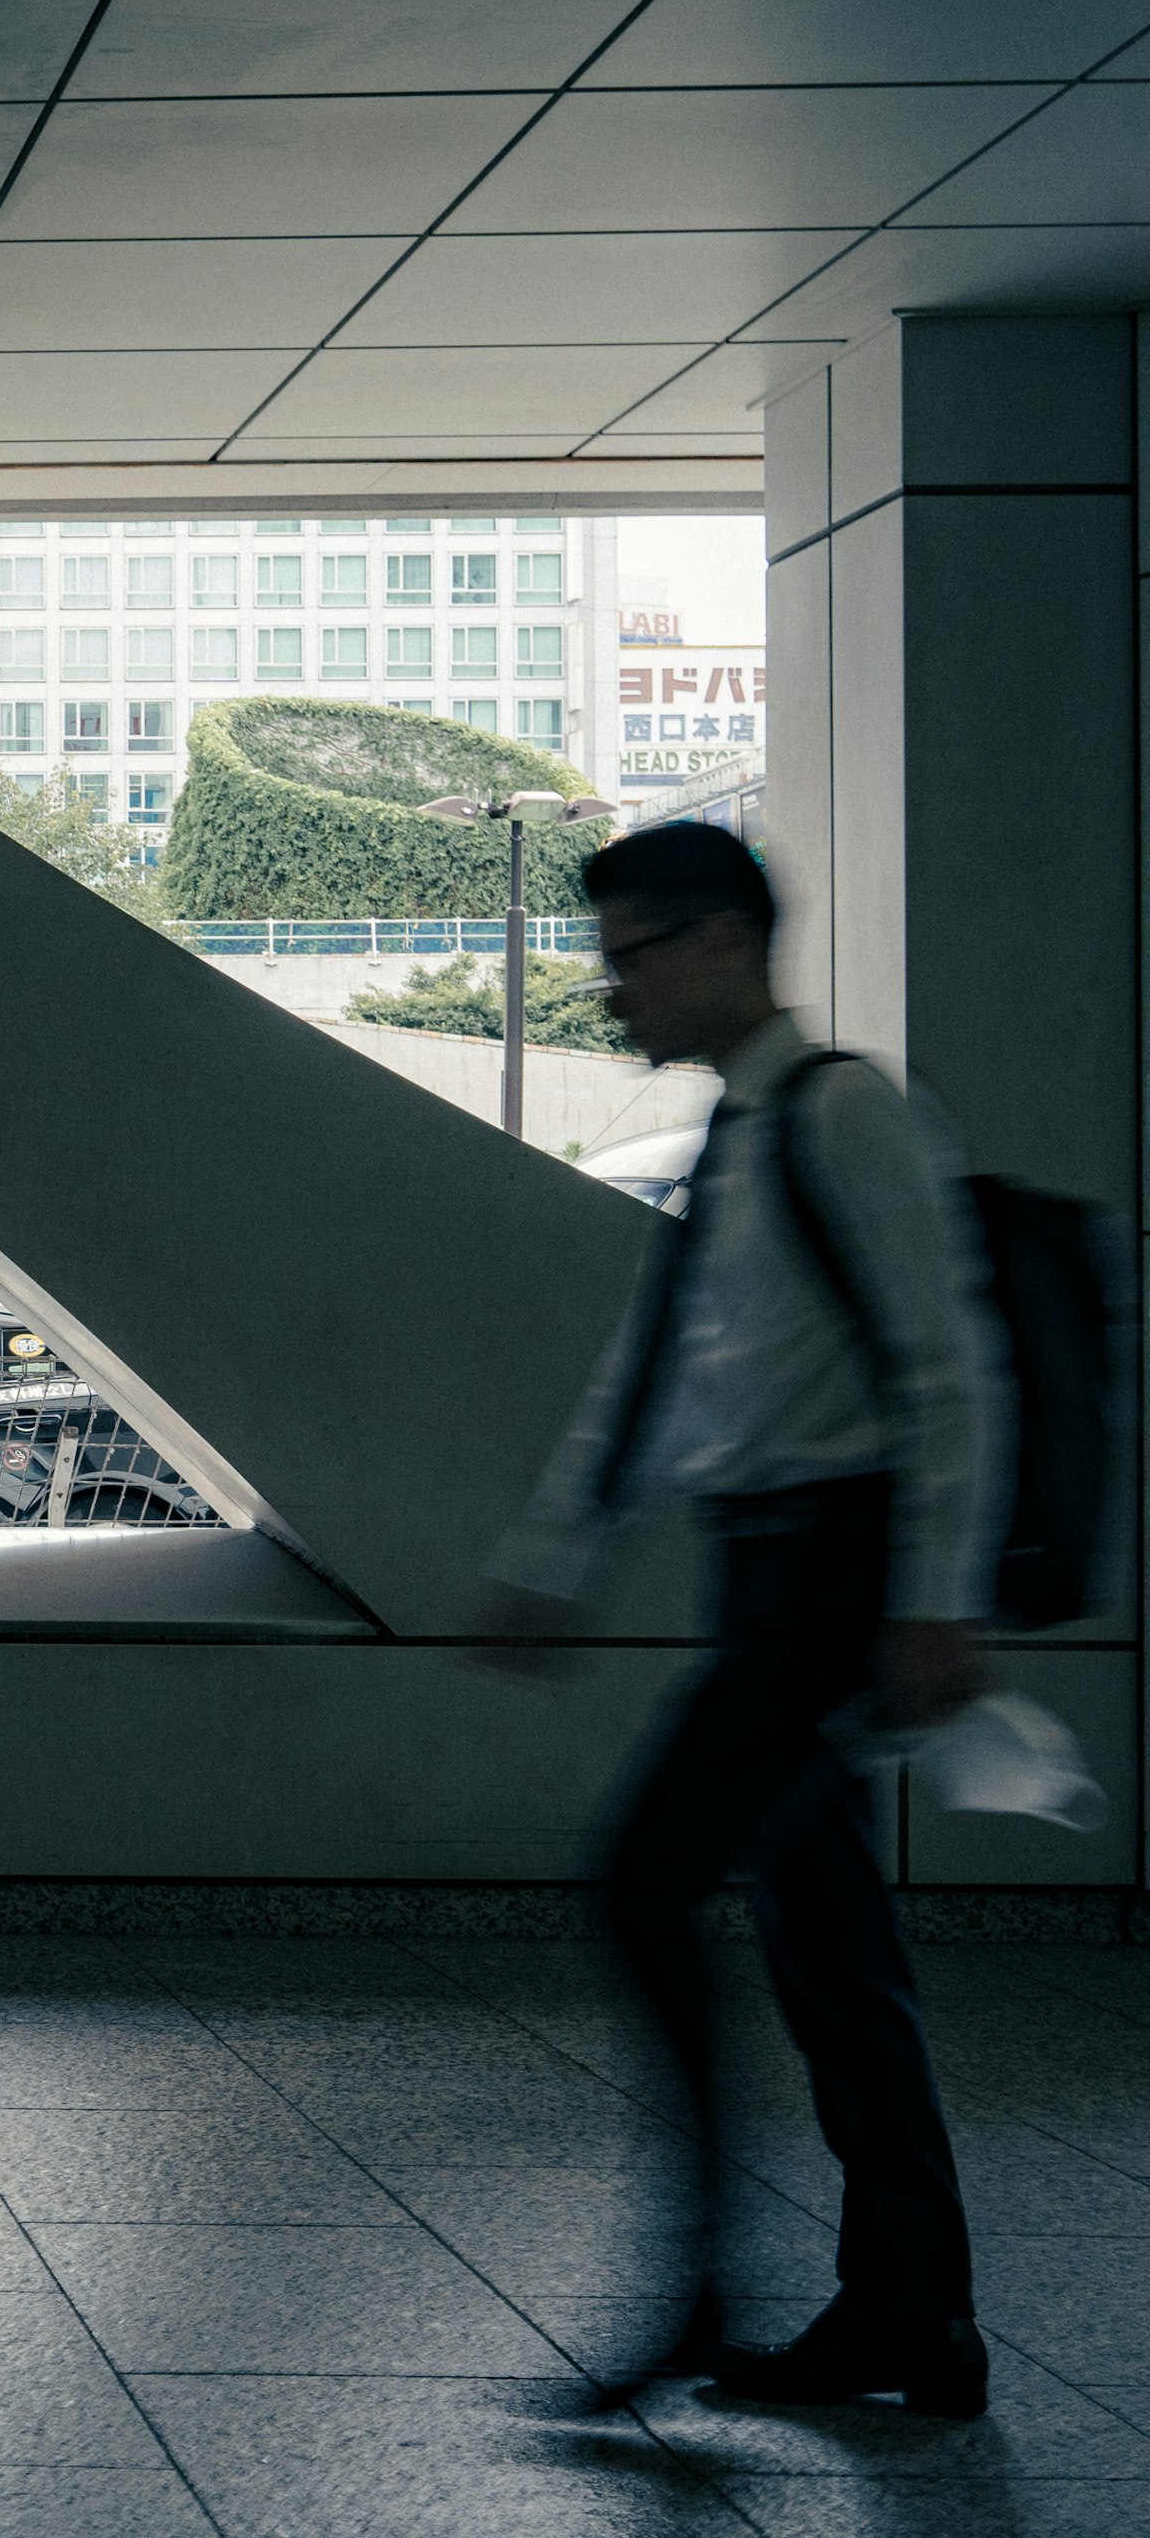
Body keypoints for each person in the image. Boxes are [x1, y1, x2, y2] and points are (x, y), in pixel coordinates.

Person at [484, 820, 997, 2416]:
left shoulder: (845, 1116)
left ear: (717, 943)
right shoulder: (734, 1143)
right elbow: (660, 1380)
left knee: (646, 1887)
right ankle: (916, 2320)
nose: (612, 990)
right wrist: (561, 1550)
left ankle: (708, 2283)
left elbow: (949, 1368)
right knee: (833, 1949)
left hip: (834, 1588)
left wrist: (930, 1604)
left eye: (630, 954)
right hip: (770, 1577)